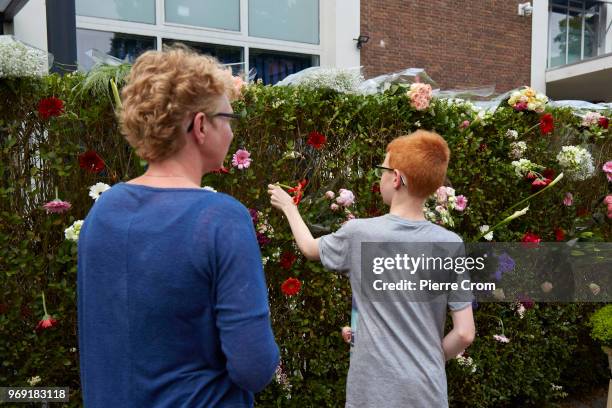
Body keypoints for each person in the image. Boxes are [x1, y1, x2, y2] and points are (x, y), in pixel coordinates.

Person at [77, 45, 279, 407]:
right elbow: (254, 367)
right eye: (228, 118)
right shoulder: (220, 219)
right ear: (200, 125)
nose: (232, 132)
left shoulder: (104, 211)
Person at [268, 130, 475, 407]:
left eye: (383, 169)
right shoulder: (450, 244)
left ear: (396, 178)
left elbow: (308, 248)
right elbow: (464, 333)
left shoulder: (360, 233)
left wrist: (289, 207)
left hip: (373, 392)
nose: (380, 177)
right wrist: (424, 358)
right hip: (427, 391)